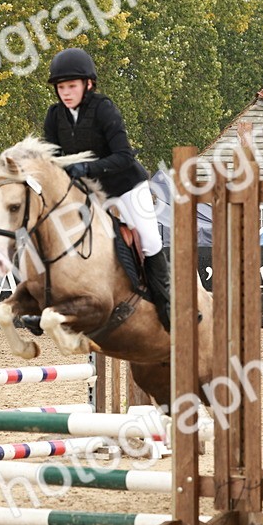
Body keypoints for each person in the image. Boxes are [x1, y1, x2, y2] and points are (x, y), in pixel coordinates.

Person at [42, 47, 170, 330]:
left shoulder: (103, 109)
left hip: (124, 186)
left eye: (71, 86)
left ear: (88, 84)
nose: (65, 92)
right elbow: (51, 158)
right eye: (61, 87)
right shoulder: (54, 116)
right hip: (87, 193)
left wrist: (88, 168)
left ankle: (167, 305)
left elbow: (124, 155)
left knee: (148, 240)